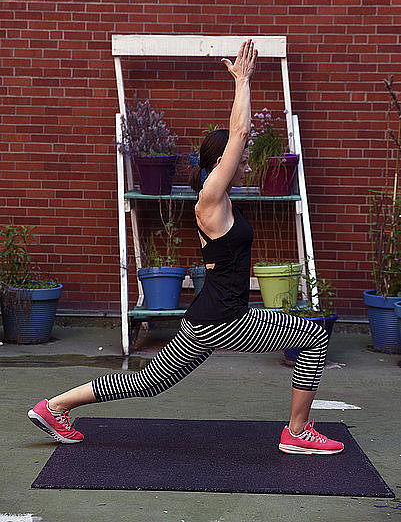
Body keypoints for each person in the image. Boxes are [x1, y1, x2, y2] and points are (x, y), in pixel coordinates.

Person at [28, 39, 344, 456]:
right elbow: (240, 131)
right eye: (241, 154)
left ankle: (54, 407)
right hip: (223, 316)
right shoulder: (211, 196)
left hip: (216, 314)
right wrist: (243, 81)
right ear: (221, 162)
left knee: (152, 381)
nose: (247, 156)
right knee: (313, 334)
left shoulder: (221, 198)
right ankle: (297, 432)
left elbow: (238, 140)